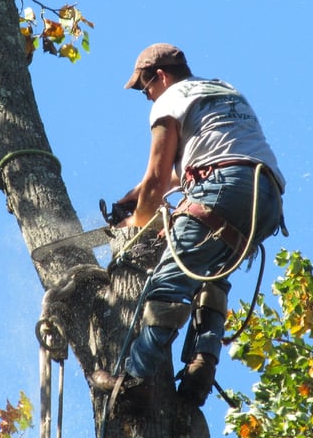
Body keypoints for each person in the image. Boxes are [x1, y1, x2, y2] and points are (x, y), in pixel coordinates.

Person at [90, 43, 286, 409]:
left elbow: (156, 179)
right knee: (210, 274)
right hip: (266, 198)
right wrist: (131, 198)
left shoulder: (168, 100)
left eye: (144, 87)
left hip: (226, 187)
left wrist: (137, 223)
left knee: (165, 284)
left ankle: (135, 380)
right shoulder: (223, 89)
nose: (146, 96)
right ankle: (200, 370)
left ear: (160, 76)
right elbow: (198, 162)